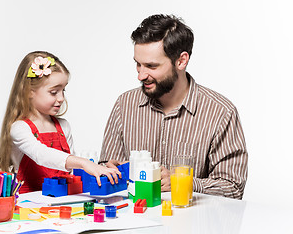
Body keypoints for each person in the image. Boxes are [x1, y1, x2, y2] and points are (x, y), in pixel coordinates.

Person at [99, 14, 248, 199]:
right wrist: (107, 170)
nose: (141, 75)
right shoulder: (125, 105)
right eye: (138, 64)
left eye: (151, 66)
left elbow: (233, 188)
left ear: (181, 61)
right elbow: (106, 167)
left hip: (192, 224)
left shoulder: (221, 112)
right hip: (136, 222)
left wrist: (181, 181)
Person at [0, 51, 121, 193]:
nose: (61, 98)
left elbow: (71, 168)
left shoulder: (63, 126)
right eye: (54, 92)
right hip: (29, 206)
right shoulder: (19, 128)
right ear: (29, 91)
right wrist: (83, 162)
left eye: (63, 90)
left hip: (62, 203)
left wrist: (102, 168)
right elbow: (41, 155)